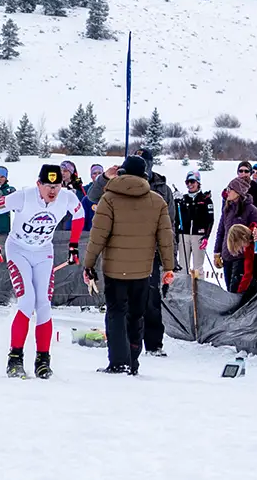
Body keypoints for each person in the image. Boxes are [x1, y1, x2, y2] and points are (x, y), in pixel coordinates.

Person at [0, 164, 79, 378]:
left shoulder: (67, 197)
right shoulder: (23, 197)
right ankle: (15, 358)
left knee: (44, 302)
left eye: (57, 186)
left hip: (44, 252)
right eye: (48, 186)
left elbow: (79, 216)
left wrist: (73, 246)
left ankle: (43, 360)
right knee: (27, 301)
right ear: (38, 185)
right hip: (19, 251)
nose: (52, 191)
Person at [81, 155, 175, 376]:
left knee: (115, 313)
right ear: (144, 175)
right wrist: (169, 267)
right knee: (136, 315)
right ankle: (132, 361)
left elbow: (98, 236)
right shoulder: (157, 201)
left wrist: (89, 264)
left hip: (114, 270)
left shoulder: (109, 199)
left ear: (121, 173)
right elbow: (165, 238)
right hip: (143, 271)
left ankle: (118, 362)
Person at [214, 165, 257, 291]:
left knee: (236, 291)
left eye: (230, 189)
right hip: (227, 255)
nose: (228, 192)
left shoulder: (252, 210)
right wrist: (217, 252)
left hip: (241, 258)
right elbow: (221, 231)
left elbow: (256, 233)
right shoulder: (227, 209)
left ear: (238, 192)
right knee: (229, 291)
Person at [173, 171, 214, 274]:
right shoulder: (183, 199)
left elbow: (210, 220)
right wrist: (176, 202)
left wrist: (206, 236)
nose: (190, 185)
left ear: (198, 183)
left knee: (198, 268)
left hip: (198, 235)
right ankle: (183, 289)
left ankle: (198, 289)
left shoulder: (205, 199)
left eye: (192, 182)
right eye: (187, 182)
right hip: (184, 235)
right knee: (183, 266)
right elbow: (176, 218)